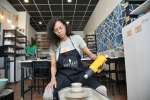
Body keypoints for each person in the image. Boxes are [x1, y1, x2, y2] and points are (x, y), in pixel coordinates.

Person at [43, 17, 107, 100]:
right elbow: (53, 65)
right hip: (63, 76)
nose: (59, 31)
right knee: (48, 95)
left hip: (80, 74)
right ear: (53, 32)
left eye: (60, 28)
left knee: (101, 90)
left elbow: (90, 55)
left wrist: (100, 60)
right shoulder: (54, 45)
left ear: (65, 26)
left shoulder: (76, 38)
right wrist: (52, 79)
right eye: (56, 30)